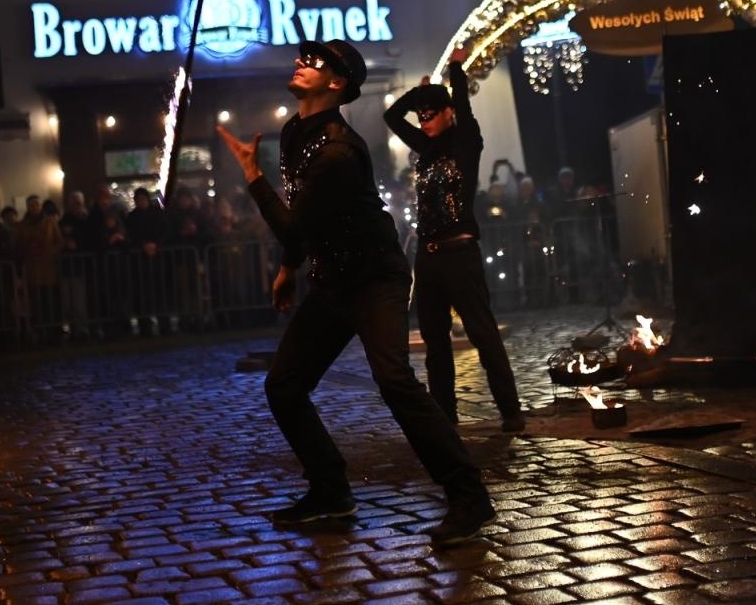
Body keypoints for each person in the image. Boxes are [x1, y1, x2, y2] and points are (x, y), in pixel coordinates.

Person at [217, 39, 496, 546]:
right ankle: (330, 492)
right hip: (332, 280)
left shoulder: (338, 150)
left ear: (338, 82)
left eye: (314, 63)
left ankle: (469, 497)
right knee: (284, 385)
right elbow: (309, 219)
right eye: (302, 59)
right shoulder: (295, 131)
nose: (301, 64)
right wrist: (289, 269)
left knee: (394, 380)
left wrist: (253, 175)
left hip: (374, 277)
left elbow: (294, 225)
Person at [384, 50, 525, 432]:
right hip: (428, 258)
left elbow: (461, 101)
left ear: (448, 114)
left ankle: (511, 411)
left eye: (432, 115)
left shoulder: (465, 141)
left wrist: (456, 70)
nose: (425, 122)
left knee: (481, 331)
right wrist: (419, 95)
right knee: (435, 339)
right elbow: (391, 116)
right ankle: (445, 415)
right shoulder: (424, 148)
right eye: (422, 117)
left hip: (460, 252)